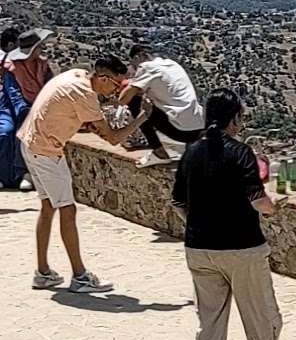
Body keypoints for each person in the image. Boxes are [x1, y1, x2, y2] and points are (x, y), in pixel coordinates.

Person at [171, 90, 296, 340]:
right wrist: (276, 205)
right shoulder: (241, 152)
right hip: (242, 246)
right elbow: (259, 201)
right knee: (261, 313)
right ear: (236, 118)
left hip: (199, 247)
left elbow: (177, 200)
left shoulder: (191, 152)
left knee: (210, 317)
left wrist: (196, 223)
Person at [20, 55, 135, 291]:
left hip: (29, 142)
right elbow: (113, 139)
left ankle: (43, 273)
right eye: (115, 84)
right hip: (46, 150)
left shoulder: (76, 76)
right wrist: (143, 117)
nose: (115, 90)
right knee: (68, 209)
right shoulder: (85, 96)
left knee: (48, 206)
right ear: (103, 78)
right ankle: (80, 276)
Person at [124, 40, 201, 161]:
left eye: (134, 63)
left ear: (139, 56)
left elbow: (124, 98)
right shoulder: (172, 64)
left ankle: (158, 151)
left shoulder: (146, 67)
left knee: (134, 100)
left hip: (180, 131)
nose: (134, 67)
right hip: (197, 129)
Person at [0, 24, 40, 193]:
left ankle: (23, 174)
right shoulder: (12, 68)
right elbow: (13, 93)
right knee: (6, 131)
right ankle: (4, 176)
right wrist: (23, 109)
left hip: (34, 107)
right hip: (10, 108)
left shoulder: (42, 66)